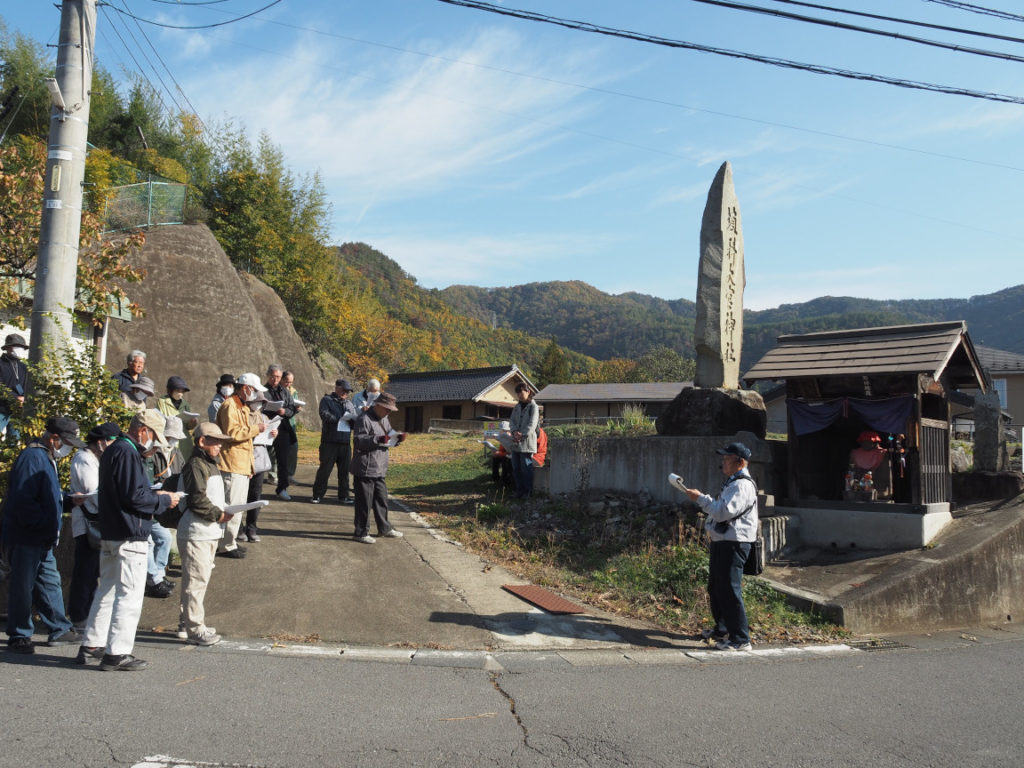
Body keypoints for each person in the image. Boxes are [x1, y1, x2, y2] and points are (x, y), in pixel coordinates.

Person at [78, 410, 182, 670]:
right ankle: (117, 652)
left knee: (107, 590)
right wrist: (163, 500)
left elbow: (127, 492)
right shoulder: (126, 452)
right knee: (129, 595)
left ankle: (92, 644)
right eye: (154, 436)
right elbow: (135, 497)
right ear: (143, 430)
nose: (154, 444)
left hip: (112, 532)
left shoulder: (114, 450)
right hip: (129, 533)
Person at [2, 416, 86, 653]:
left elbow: (46, 495)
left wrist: (68, 500)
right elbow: (23, 500)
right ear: (53, 438)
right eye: (66, 443)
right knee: (23, 585)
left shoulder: (45, 457)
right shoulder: (33, 457)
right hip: (27, 535)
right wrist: (43, 524)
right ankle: (19, 634)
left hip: (41, 536)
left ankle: (59, 628)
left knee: (49, 582)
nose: (68, 448)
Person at [685, 441, 758, 652]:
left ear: (740, 463)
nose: (723, 463)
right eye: (723, 459)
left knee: (729, 590)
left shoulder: (742, 485)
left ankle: (741, 639)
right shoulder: (733, 482)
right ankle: (723, 628)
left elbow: (723, 512)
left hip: (734, 542)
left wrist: (701, 499)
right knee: (717, 587)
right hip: (724, 540)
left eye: (727, 459)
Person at [177, 422, 236, 646]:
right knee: (195, 581)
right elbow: (197, 499)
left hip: (207, 531)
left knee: (197, 581)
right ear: (202, 441)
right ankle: (195, 628)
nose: (220, 446)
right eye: (216, 441)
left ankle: (188, 623)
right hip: (196, 532)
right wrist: (219, 514)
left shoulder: (208, 464)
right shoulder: (195, 465)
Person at [67, 421, 120, 631]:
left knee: (94, 571)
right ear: (100, 442)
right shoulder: (84, 459)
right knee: (86, 571)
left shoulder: (98, 459)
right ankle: (79, 615)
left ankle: (87, 613)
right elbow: (93, 492)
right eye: (111, 441)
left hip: (99, 522)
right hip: (88, 524)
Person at [215, 372, 267, 558]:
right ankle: (225, 545)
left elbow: (245, 441)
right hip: (232, 463)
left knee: (236, 507)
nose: (256, 394)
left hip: (240, 464)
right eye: (254, 390)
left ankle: (229, 542)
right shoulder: (230, 405)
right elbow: (232, 433)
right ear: (246, 388)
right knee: (231, 507)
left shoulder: (241, 406)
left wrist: (250, 466)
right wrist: (256, 429)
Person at [351, 391, 405, 543]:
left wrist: (396, 439)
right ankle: (360, 532)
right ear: (378, 405)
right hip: (365, 468)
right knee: (364, 503)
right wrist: (378, 439)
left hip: (380, 466)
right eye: (387, 409)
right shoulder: (363, 419)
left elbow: (388, 435)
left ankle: (384, 528)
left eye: (390, 410)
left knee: (381, 500)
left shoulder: (384, 418)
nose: (388, 412)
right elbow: (359, 441)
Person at [311, 378, 357, 504]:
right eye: (344, 390)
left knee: (344, 472)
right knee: (325, 470)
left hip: (345, 442)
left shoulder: (349, 404)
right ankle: (317, 495)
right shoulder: (326, 400)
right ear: (337, 388)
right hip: (329, 442)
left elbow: (354, 420)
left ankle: (344, 496)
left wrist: (353, 421)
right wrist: (339, 419)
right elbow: (324, 414)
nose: (346, 393)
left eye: (348, 391)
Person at [241, 391, 277, 543]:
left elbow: (269, 437)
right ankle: (238, 528)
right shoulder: (242, 414)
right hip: (243, 459)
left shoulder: (264, 417)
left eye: (262, 402)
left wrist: (273, 433)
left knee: (255, 495)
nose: (259, 405)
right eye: (257, 401)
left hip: (259, 460)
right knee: (239, 496)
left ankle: (251, 527)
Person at [262, 364, 297, 500]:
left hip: (282, 428)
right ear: (268, 376)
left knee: (283, 460)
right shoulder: (262, 391)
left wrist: (285, 411)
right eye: (273, 376)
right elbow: (257, 409)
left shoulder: (285, 391)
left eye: (278, 377)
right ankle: (254, 487)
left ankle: (282, 488)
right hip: (266, 427)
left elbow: (291, 408)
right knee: (260, 457)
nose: (275, 379)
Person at [157, 375, 199, 463]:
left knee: (184, 463)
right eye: (177, 390)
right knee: (170, 463)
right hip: (169, 439)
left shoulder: (185, 404)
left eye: (182, 391)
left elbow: (188, 427)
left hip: (184, 441)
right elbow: (159, 420)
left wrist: (192, 423)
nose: (180, 393)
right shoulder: (162, 401)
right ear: (170, 390)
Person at [508, 383, 539, 499]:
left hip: (527, 444)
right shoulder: (517, 407)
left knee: (526, 468)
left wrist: (522, 434)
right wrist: (514, 431)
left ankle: (528, 492)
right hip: (515, 443)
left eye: (521, 392)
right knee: (516, 469)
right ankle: (519, 490)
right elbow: (511, 421)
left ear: (528, 392)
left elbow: (532, 424)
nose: (519, 395)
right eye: (518, 393)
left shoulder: (533, 407)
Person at [0, 333, 29, 430]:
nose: (20, 349)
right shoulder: (1, 364)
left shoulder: (24, 366)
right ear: (8, 348)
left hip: (17, 411)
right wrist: (15, 397)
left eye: (22, 347)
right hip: (1, 408)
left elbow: (27, 386)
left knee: (15, 438)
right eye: (17, 346)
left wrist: (24, 398)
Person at [282, 370, 302, 484]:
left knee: (293, 448)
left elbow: (294, 407)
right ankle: (273, 475)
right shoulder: (276, 390)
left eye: (291, 382)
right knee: (275, 450)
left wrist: (297, 409)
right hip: (279, 422)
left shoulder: (293, 391)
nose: (289, 384)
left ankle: (289, 475)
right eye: (287, 381)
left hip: (290, 422)